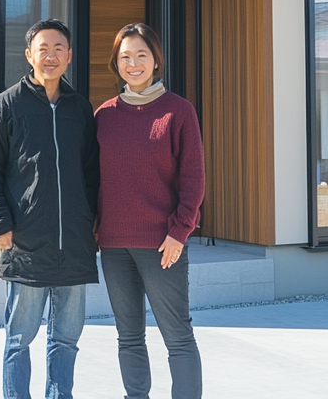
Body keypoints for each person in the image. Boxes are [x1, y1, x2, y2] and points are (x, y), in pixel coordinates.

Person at [0, 19, 99, 399]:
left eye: (59, 48)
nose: (51, 56)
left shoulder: (80, 108)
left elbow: (93, 173)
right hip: (25, 243)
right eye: (43, 48)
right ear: (29, 55)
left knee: (66, 340)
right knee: (19, 340)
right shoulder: (7, 105)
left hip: (75, 245)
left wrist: (95, 224)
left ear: (69, 56)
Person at [95, 23, 205, 399]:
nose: (133, 63)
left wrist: (180, 232)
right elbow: (96, 181)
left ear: (156, 60)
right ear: (117, 64)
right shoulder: (104, 116)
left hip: (163, 245)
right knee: (128, 336)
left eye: (141, 54)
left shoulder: (178, 112)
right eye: (125, 56)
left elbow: (193, 179)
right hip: (113, 245)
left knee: (177, 336)